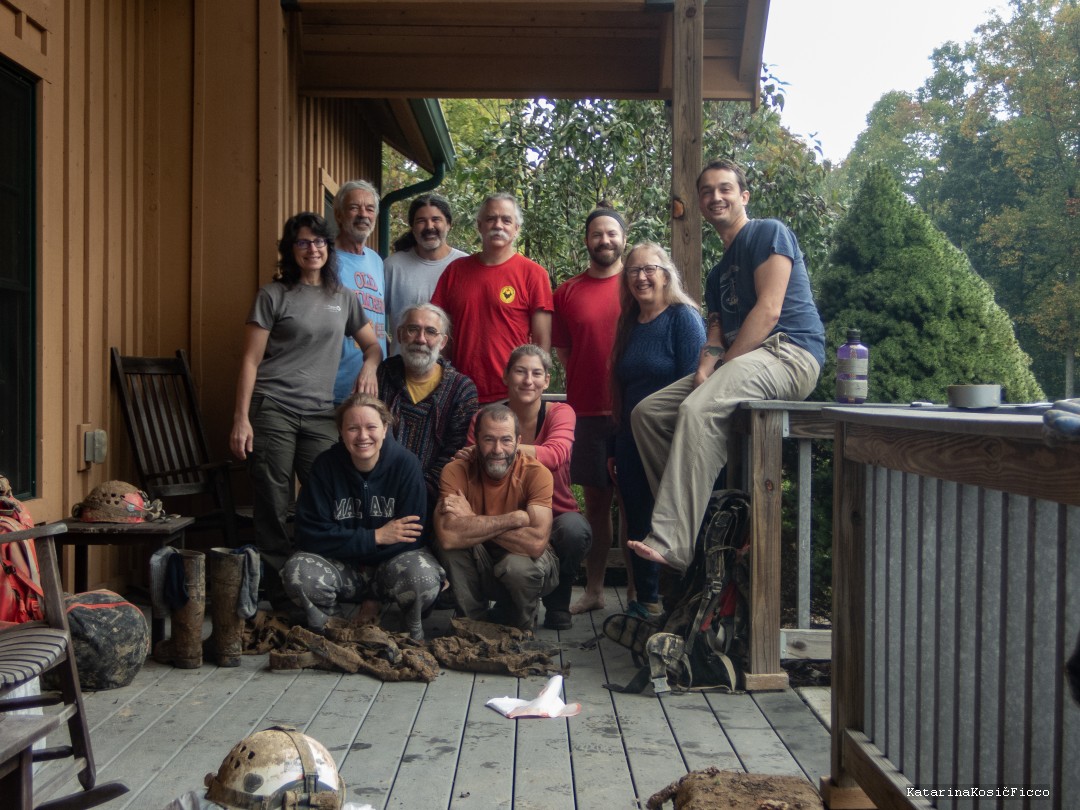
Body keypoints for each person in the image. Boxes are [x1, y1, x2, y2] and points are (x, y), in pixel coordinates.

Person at [628, 158, 825, 572]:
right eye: (706, 191)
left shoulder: (768, 233)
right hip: (744, 361)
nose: (715, 196)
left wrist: (721, 371)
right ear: (700, 203)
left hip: (788, 353)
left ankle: (671, 541)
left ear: (743, 196)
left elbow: (769, 311)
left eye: (724, 188)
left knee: (698, 409)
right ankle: (695, 516)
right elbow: (715, 334)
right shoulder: (718, 274)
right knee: (648, 413)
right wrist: (706, 366)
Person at [230, 212, 381, 579]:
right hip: (273, 407)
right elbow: (250, 361)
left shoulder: (344, 298)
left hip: (320, 413)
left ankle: (317, 572)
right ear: (290, 249)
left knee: (327, 491)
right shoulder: (273, 295)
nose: (312, 249)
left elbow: (374, 345)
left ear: (329, 248)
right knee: (273, 497)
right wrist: (241, 419)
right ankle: (278, 585)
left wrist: (369, 366)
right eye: (302, 242)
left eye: (318, 242)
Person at [282, 394, 445, 641]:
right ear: (341, 431)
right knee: (298, 572)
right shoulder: (325, 466)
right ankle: (333, 628)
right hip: (342, 569)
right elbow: (308, 535)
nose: (363, 436)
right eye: (353, 428)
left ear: (385, 428)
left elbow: (411, 539)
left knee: (423, 576)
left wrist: (341, 542)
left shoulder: (406, 465)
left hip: (390, 569)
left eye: (371, 427)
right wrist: (375, 537)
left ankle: (408, 630)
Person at [459, 345, 591, 631]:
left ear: (547, 380)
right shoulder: (485, 418)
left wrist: (498, 450)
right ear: (506, 376)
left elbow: (555, 455)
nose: (527, 380)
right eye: (520, 371)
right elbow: (470, 464)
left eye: (536, 373)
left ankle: (558, 605)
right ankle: (506, 605)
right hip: (502, 510)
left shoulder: (560, 412)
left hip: (555, 511)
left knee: (574, 530)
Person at [609, 242, 706, 617]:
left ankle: (682, 605)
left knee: (671, 518)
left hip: (669, 440)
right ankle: (646, 601)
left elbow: (696, 387)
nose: (642, 277)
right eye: (633, 271)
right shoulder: (629, 323)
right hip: (629, 439)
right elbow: (620, 387)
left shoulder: (683, 318)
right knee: (638, 517)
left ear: (666, 274)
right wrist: (614, 446)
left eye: (650, 269)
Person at [552, 207, 629, 615]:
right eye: (597, 234)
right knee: (597, 506)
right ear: (586, 240)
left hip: (632, 412)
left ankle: (638, 595)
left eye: (612, 233)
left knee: (634, 503)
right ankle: (596, 589)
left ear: (623, 239)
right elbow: (565, 352)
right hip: (587, 413)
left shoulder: (637, 284)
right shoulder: (566, 293)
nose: (605, 240)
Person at [434, 404, 558, 631]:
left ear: (518, 441)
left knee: (516, 566)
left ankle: (520, 625)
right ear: (476, 440)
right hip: (479, 564)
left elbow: (535, 543)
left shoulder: (536, 473)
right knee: (452, 549)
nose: (497, 449)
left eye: (506, 440)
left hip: (529, 566)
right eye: (489, 439)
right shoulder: (456, 470)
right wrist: (514, 519)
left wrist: (471, 517)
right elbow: (448, 536)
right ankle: (472, 624)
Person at [431, 193, 553, 403]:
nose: (498, 225)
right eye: (491, 219)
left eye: (506, 220)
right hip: (461, 393)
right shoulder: (455, 271)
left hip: (512, 395)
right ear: (480, 225)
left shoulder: (533, 274)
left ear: (516, 228)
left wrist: (533, 390)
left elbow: (542, 342)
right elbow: (439, 333)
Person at [377, 303, 479, 514]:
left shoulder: (462, 390)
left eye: (431, 331)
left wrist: (415, 492)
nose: (421, 339)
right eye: (413, 329)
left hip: (433, 501)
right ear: (400, 334)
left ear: (443, 342)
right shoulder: (382, 375)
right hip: (377, 495)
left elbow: (454, 455)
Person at [383, 193, 468, 356]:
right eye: (421, 221)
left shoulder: (466, 266)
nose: (429, 226)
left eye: (436, 219)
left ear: (449, 224)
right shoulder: (393, 266)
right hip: (401, 371)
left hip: (451, 373)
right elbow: (374, 320)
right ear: (412, 227)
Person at [333, 180, 388, 400]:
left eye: (370, 208)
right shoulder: (324, 259)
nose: (363, 214)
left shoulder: (376, 260)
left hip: (372, 385)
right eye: (354, 207)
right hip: (334, 386)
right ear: (339, 214)